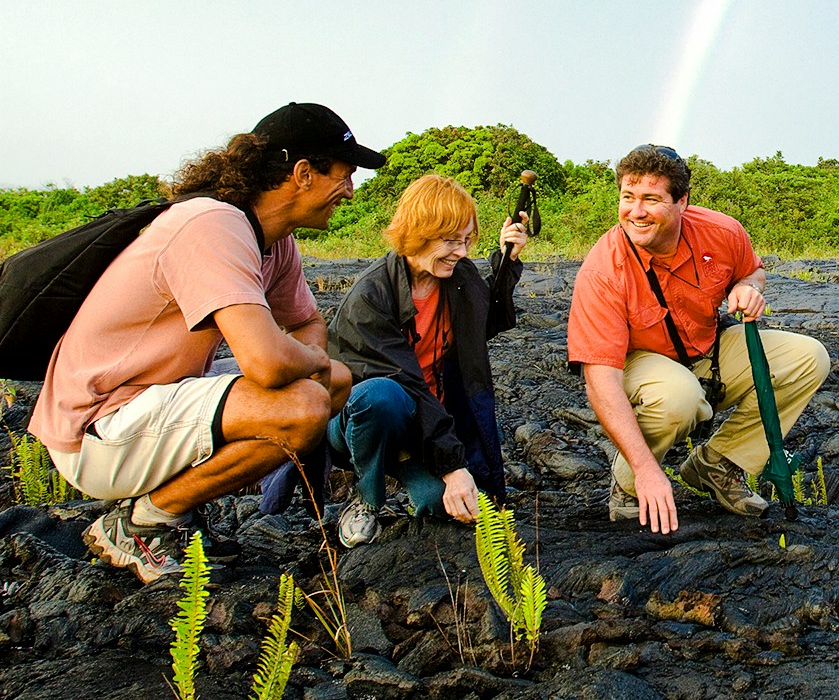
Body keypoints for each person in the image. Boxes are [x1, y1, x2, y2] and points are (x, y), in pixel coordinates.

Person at [29, 102, 383, 582]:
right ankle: (144, 521)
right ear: (302, 173)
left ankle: (168, 510)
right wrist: (298, 363)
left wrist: (306, 360)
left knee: (334, 382)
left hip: (148, 411)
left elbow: (307, 326)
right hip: (96, 428)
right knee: (300, 407)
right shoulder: (212, 224)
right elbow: (267, 364)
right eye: (343, 174)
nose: (350, 189)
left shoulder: (274, 240)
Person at [566, 144, 831, 533]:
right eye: (627, 197)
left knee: (809, 356)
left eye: (651, 199)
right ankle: (627, 485)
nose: (635, 212)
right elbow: (599, 381)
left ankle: (719, 463)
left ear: (682, 201)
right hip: (642, 362)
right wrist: (645, 470)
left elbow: (753, 272)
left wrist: (747, 288)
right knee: (679, 397)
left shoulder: (722, 231)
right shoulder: (603, 270)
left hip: (708, 349)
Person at [324, 175, 527, 547]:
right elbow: (408, 384)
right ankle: (367, 499)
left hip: (425, 424)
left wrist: (506, 261)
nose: (462, 252)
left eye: (467, 240)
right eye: (451, 241)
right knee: (380, 397)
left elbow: (487, 323)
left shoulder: (457, 276)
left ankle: (410, 470)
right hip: (361, 422)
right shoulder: (370, 298)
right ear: (417, 234)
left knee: (447, 507)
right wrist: (452, 467)